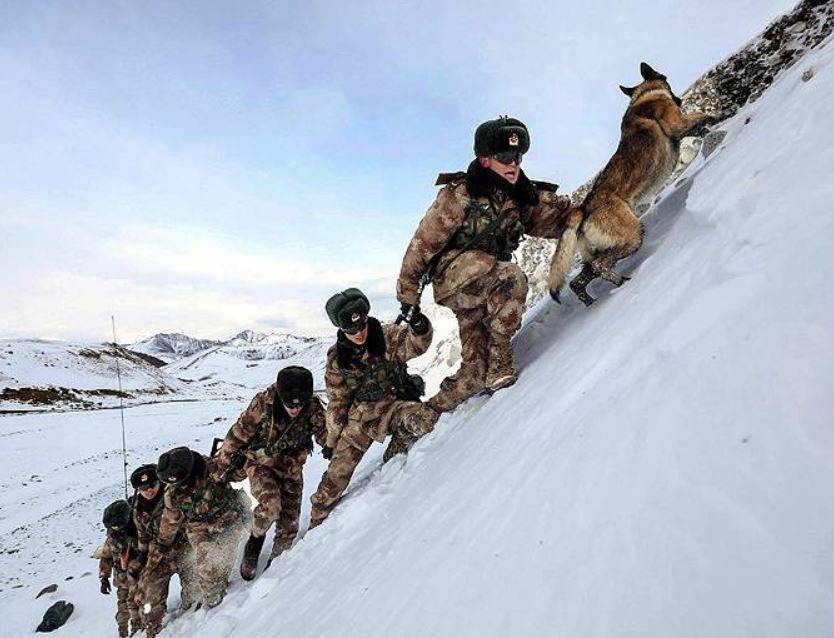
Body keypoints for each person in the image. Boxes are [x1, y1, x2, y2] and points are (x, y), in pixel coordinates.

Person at [396, 116, 573, 413]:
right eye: (505, 156)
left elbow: (554, 221)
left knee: (474, 375)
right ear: (485, 160)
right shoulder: (460, 195)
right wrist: (407, 296)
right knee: (512, 277)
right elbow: (421, 245)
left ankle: (421, 418)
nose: (513, 163)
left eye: (517, 156)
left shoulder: (520, 197)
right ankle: (500, 361)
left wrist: (589, 213)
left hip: (488, 291)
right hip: (457, 280)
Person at [309, 288, 438, 527]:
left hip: (394, 408)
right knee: (333, 482)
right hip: (361, 421)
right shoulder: (338, 360)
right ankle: (315, 526)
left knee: (423, 420)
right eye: (351, 330)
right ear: (341, 329)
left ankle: (395, 453)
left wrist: (418, 323)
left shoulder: (386, 335)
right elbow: (337, 405)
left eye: (362, 325)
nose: (359, 333)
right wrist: (331, 442)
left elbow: (415, 345)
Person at [215, 365, 327, 580]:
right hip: (261, 464)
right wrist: (223, 465)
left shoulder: (313, 407)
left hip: (291, 466)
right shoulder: (263, 404)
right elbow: (238, 433)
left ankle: (276, 574)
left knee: (289, 525)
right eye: (289, 405)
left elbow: (325, 434)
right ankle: (255, 541)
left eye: (299, 405)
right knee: (270, 507)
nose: (295, 410)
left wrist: (331, 444)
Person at [146, 447, 251, 608]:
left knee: (223, 564)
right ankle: (213, 603)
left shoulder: (214, 469)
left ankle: (224, 596)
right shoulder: (172, 494)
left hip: (229, 522)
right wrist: (163, 543)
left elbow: (241, 474)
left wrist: (240, 463)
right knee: (207, 567)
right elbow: (170, 521)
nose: (178, 486)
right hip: (198, 528)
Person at [130, 464, 197, 638]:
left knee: (194, 595)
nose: (148, 490)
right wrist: (141, 559)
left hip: (185, 550)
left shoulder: (174, 494)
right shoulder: (138, 509)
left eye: (152, 484)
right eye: (143, 488)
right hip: (159, 558)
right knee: (149, 599)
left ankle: (194, 619)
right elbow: (142, 537)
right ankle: (153, 628)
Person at [98, 499, 143, 637]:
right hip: (122, 580)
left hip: (140, 577)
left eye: (117, 526)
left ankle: (141, 629)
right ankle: (124, 633)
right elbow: (106, 557)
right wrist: (104, 577)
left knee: (140, 605)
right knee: (123, 611)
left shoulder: (138, 529)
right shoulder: (112, 538)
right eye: (112, 526)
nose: (115, 529)